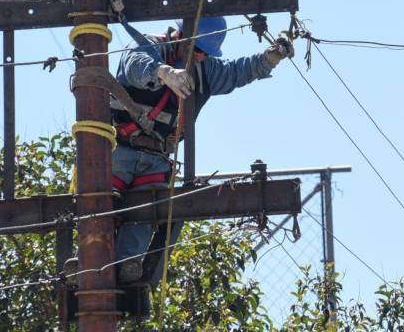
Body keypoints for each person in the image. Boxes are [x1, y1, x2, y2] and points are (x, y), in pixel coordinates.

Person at [106, 16, 291, 285]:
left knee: (145, 210)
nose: (202, 57)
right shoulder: (150, 47)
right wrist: (163, 72)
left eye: (207, 53)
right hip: (119, 148)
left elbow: (236, 72)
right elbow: (134, 65)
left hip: (156, 157)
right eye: (199, 50)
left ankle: (126, 265)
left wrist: (270, 58)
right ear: (182, 37)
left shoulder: (205, 70)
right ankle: (90, 261)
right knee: (101, 204)